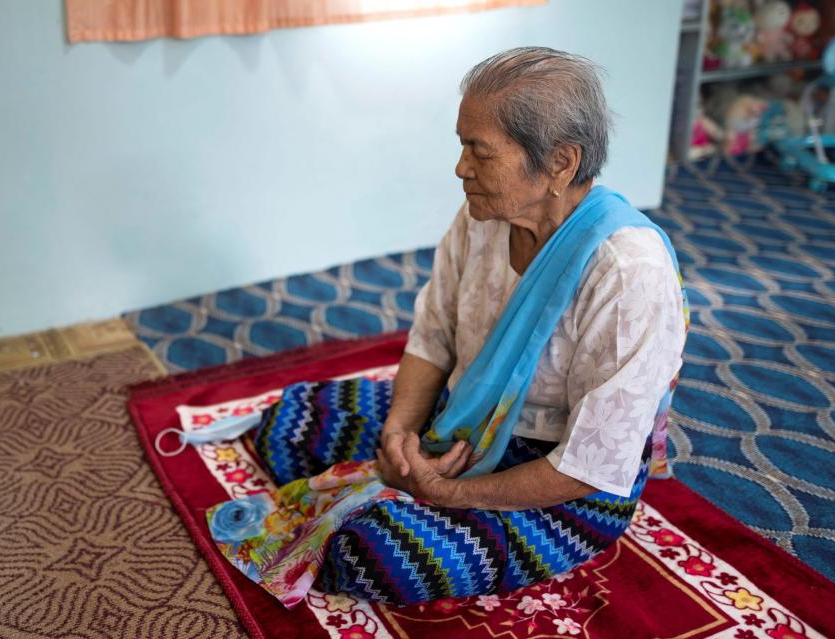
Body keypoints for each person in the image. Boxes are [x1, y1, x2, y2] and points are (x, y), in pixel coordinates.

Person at [206, 47, 688, 608]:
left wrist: (449, 492)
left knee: (375, 552)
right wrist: (399, 436)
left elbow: (590, 466)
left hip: (558, 480)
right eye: (462, 146)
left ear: (560, 163)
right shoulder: (483, 216)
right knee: (288, 424)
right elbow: (433, 336)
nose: (461, 168)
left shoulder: (627, 270)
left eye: (477, 151)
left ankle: (415, 506)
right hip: (461, 424)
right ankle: (405, 481)